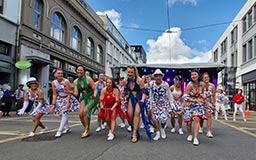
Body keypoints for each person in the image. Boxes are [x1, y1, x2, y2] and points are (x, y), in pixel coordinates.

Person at [124, 65, 151, 143]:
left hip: (139, 97)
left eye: (131, 72)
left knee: (137, 113)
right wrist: (125, 99)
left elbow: (144, 91)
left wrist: (142, 99)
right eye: (128, 72)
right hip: (131, 97)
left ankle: (134, 133)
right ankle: (135, 128)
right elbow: (126, 91)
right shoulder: (126, 81)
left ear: (134, 72)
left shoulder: (139, 80)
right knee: (129, 114)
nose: (130, 74)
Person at [50, 69, 80, 137]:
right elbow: (54, 94)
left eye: (61, 73)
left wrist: (67, 103)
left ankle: (59, 130)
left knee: (64, 112)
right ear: (55, 75)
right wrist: (53, 104)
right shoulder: (53, 83)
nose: (60, 75)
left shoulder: (66, 81)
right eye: (59, 73)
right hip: (60, 99)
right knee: (62, 114)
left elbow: (69, 93)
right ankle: (68, 127)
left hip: (67, 98)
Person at [72, 65, 98, 138]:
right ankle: (87, 128)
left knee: (85, 111)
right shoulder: (75, 81)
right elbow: (76, 93)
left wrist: (95, 95)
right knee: (80, 114)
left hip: (92, 96)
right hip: (84, 97)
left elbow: (95, 89)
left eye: (81, 70)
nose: (79, 71)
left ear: (84, 71)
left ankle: (86, 130)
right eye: (78, 70)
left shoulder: (88, 79)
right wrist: (70, 92)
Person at [183, 69, 206, 146]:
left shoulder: (202, 84)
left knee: (197, 118)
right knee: (188, 122)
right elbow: (186, 96)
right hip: (189, 105)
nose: (193, 76)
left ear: (198, 75)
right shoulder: (189, 85)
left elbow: (203, 94)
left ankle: (195, 138)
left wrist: (203, 100)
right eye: (192, 75)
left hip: (198, 106)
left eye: (195, 74)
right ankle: (190, 134)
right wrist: (195, 100)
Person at [149, 69, 174, 141]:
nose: (158, 77)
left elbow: (169, 94)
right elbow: (151, 94)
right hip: (155, 103)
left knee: (163, 119)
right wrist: (150, 104)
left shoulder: (165, 84)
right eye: (156, 76)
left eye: (159, 76)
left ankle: (162, 129)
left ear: (161, 76)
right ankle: (157, 133)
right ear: (154, 77)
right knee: (156, 118)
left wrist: (171, 102)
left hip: (163, 103)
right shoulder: (152, 83)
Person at [200, 72, 216, 138]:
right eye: (205, 77)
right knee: (201, 116)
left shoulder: (212, 86)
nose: (206, 78)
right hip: (201, 102)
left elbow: (214, 95)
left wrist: (214, 104)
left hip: (209, 102)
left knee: (209, 116)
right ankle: (200, 127)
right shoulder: (200, 85)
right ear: (202, 79)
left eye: (207, 77)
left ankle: (209, 131)